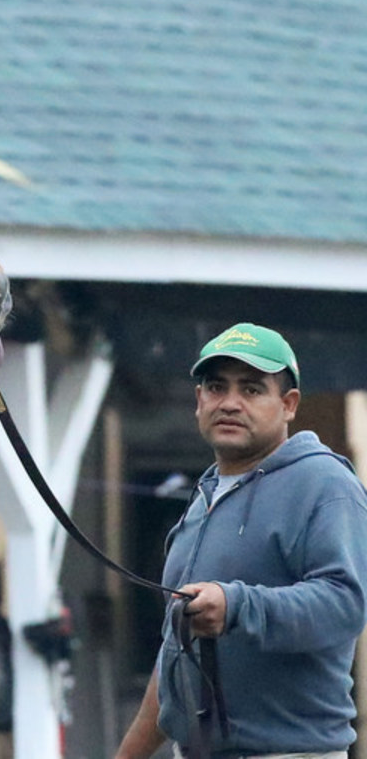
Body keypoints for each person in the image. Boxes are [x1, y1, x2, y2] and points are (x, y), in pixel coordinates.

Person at [115, 323, 367, 759]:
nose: (229, 403)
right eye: (216, 387)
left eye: (251, 390)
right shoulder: (205, 498)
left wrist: (235, 606)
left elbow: (345, 604)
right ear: (199, 402)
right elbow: (176, 651)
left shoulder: (324, 483)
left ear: (288, 405)